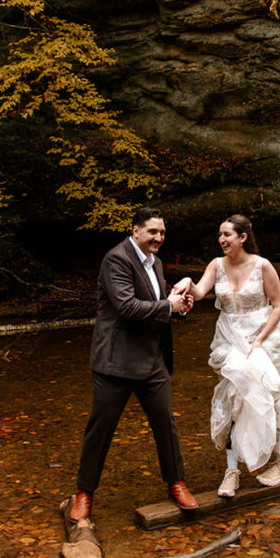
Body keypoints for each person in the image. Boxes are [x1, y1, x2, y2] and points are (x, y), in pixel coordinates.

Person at [69, 207, 198, 522]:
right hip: (115, 363)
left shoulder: (156, 263)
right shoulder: (116, 259)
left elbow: (154, 306)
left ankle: (176, 483)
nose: (158, 238)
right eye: (152, 231)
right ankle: (84, 494)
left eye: (162, 233)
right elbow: (126, 307)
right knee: (100, 430)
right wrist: (168, 305)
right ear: (136, 230)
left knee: (165, 425)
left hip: (152, 360)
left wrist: (177, 309)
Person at [172, 214, 280, 497]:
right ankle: (232, 471)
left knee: (272, 396)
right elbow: (200, 291)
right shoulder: (216, 265)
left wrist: (260, 341)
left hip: (265, 336)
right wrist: (186, 282)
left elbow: (278, 305)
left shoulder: (263, 265)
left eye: (227, 234)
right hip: (230, 338)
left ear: (242, 237)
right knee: (233, 398)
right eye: (220, 235)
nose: (221, 240)